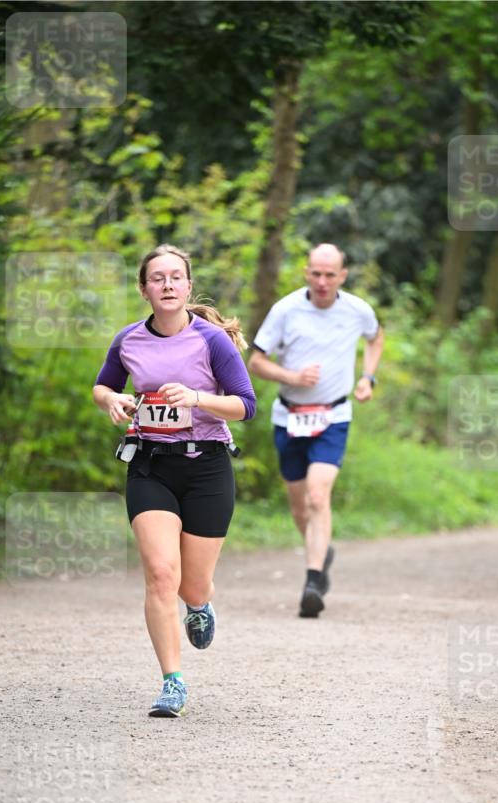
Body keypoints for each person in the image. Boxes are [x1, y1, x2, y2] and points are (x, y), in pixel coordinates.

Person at [93, 244, 256, 717]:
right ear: (144, 289)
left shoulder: (211, 341)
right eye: (156, 278)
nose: (166, 285)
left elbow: (246, 405)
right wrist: (110, 400)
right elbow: (103, 384)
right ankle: (172, 681)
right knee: (162, 574)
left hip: (206, 467)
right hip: (149, 465)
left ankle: (200, 606)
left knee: (191, 585)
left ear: (187, 286)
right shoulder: (128, 340)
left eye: (175, 277)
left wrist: (198, 398)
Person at [249, 243, 384, 617]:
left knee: (317, 496)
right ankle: (321, 549)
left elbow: (376, 338)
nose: (323, 282)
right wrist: (292, 376)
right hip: (289, 416)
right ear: (306, 273)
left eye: (330, 275)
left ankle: (313, 581)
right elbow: (256, 361)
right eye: (316, 274)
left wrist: (367, 378)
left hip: (333, 417)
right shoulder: (286, 310)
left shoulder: (358, 310)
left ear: (342, 276)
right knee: (299, 507)